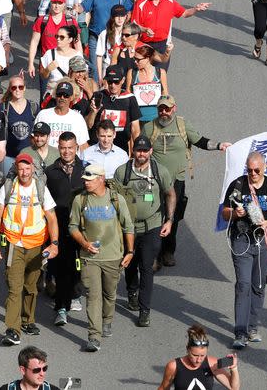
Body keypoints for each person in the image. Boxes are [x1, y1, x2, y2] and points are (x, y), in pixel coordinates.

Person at [142, 95, 230, 267]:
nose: (164, 112)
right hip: (153, 181)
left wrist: (220, 145)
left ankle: (168, 252)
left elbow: (200, 141)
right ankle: (154, 256)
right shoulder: (149, 127)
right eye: (161, 108)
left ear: (174, 108)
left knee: (172, 217)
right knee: (151, 216)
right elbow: (140, 149)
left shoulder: (182, 125)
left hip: (176, 181)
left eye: (167, 108)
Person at [221, 150, 267, 349]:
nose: (252, 174)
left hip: (264, 241)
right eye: (249, 170)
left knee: (258, 285)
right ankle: (240, 332)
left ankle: (253, 327)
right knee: (243, 285)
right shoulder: (238, 185)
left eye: (256, 170)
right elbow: (225, 213)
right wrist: (235, 213)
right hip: (242, 240)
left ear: (264, 168)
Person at [0, 153, 60, 346]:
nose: (24, 172)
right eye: (21, 168)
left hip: (36, 246)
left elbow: (52, 218)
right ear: (16, 169)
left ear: (33, 169)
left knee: (31, 287)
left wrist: (54, 244)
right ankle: (13, 330)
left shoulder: (40, 188)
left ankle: (28, 320)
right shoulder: (8, 187)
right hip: (14, 244)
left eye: (27, 168)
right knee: (14, 288)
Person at [69, 164, 134, 351]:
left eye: (90, 180)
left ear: (101, 179)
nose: (86, 183)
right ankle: (94, 335)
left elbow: (128, 227)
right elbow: (72, 226)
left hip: (113, 256)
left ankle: (107, 320)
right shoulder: (80, 200)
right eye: (85, 180)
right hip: (89, 257)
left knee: (109, 293)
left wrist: (130, 252)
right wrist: (84, 243)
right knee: (92, 295)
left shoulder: (116, 199)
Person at [115, 136, 175, 327]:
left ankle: (144, 310)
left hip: (152, 225)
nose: (141, 154)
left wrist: (170, 220)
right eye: (138, 151)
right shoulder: (122, 171)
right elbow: (114, 198)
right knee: (130, 263)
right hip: (129, 227)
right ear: (133, 151)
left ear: (150, 151)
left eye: (145, 151)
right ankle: (132, 291)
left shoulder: (160, 171)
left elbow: (170, 194)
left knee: (146, 267)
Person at [45, 132, 87, 325]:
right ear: (58, 147)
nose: (67, 151)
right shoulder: (50, 172)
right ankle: (61, 308)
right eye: (63, 148)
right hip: (59, 228)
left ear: (76, 147)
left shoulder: (85, 169)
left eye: (70, 147)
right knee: (62, 269)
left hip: (80, 228)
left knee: (78, 266)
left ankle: (76, 293)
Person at [131, 0, 210, 68]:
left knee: (161, 73)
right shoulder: (140, 3)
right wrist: (144, 30)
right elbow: (134, 26)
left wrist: (196, 9)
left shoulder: (170, 2)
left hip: (162, 45)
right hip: (145, 44)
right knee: (144, 73)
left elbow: (184, 13)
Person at [76, 0, 133, 80]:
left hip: (113, 37)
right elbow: (83, 7)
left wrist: (123, 25)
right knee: (94, 67)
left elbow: (129, 11)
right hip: (96, 36)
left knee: (111, 64)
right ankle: (97, 89)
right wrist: (77, 8)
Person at [157, 325, 241, 389]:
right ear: (187, 349)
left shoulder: (212, 364)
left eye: (202, 355)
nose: (198, 360)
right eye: (195, 355)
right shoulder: (173, 366)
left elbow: (233, 388)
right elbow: (163, 388)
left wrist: (234, 369)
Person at [87, 65, 141, 153]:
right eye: (110, 82)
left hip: (121, 148)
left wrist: (137, 150)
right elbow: (88, 125)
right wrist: (93, 112)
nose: (112, 85)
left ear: (123, 80)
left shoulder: (130, 98)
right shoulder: (98, 96)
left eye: (116, 82)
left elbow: (135, 129)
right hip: (98, 148)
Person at [0, 75, 41, 179]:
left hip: (29, 156)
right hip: (9, 156)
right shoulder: (4, 107)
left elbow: (38, 131)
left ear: (25, 88)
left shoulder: (33, 106)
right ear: (10, 89)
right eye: (14, 87)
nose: (17, 90)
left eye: (20, 87)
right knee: (9, 187)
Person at [35, 82, 91, 149]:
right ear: (55, 96)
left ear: (71, 97)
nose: (62, 97)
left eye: (66, 95)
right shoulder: (43, 114)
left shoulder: (78, 118)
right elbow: (33, 139)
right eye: (59, 94)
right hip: (47, 158)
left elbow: (83, 145)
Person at [126, 44, 168, 123]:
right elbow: (128, 94)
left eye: (138, 59)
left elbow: (165, 94)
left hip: (156, 118)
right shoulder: (131, 73)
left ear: (148, 58)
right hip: (137, 118)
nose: (135, 62)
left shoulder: (160, 72)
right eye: (135, 59)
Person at [39, 25, 83, 93]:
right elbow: (43, 76)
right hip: (53, 93)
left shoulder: (77, 55)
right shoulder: (49, 53)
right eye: (57, 36)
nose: (58, 39)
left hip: (71, 94)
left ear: (70, 39)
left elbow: (82, 76)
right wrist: (48, 69)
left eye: (62, 37)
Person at [95, 4, 128, 81]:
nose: (120, 19)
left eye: (122, 15)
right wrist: (100, 77)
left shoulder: (129, 33)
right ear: (112, 17)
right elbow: (99, 56)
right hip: (108, 68)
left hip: (124, 68)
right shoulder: (104, 34)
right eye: (117, 16)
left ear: (126, 16)